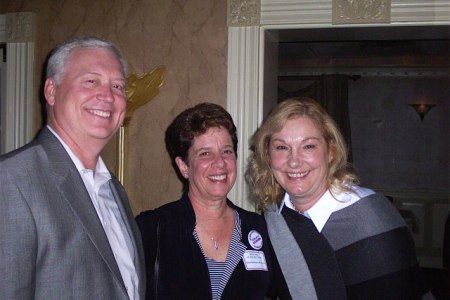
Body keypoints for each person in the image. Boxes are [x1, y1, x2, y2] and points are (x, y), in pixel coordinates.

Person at [0, 37, 145, 299]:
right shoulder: (11, 181)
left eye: (118, 86)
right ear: (51, 91)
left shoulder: (112, 188)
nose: (108, 96)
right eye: (91, 81)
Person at [246, 97, 432, 299]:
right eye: (281, 147)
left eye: (308, 146)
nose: (294, 161)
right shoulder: (276, 216)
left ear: (331, 152)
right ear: (267, 155)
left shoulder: (370, 221)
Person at [136, 102, 276, 300]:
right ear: (183, 166)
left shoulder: (260, 228)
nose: (219, 163)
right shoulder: (151, 229)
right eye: (205, 153)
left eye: (227, 151)